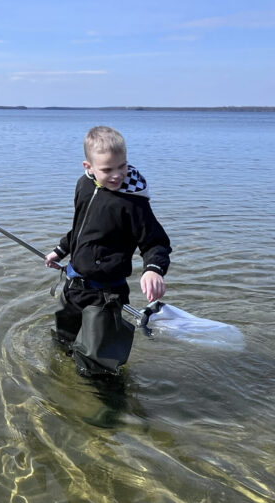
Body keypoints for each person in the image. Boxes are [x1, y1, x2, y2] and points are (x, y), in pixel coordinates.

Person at [45, 126, 172, 376]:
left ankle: (109, 408)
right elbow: (80, 228)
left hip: (106, 293)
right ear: (88, 167)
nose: (117, 175)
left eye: (122, 166)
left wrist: (153, 270)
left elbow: (156, 242)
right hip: (74, 286)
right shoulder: (83, 185)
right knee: (63, 343)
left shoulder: (133, 203)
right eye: (107, 169)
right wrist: (60, 250)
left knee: (97, 367)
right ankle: (62, 390)